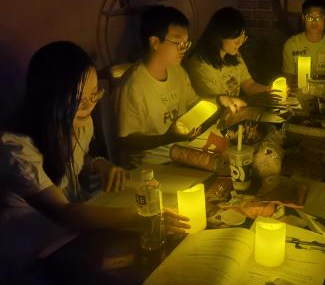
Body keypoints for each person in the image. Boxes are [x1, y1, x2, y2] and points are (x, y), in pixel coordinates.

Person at [0, 41, 190, 268]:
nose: (90, 106)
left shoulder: (80, 124)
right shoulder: (16, 149)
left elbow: (78, 157)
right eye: (80, 100)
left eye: (94, 95)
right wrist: (138, 217)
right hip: (34, 254)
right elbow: (65, 212)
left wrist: (100, 164)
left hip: (73, 238)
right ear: (49, 99)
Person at [114, 5, 245, 167]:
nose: (183, 49)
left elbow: (194, 104)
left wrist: (220, 100)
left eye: (186, 43)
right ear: (155, 42)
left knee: (234, 152)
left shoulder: (177, 71)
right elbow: (127, 141)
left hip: (182, 151)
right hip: (151, 164)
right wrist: (167, 138)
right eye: (178, 43)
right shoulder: (133, 85)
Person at [186, 7, 271, 98]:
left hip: (234, 106)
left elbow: (249, 85)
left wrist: (270, 90)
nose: (240, 43)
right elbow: (216, 102)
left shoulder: (234, 55)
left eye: (242, 37)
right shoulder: (200, 66)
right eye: (236, 38)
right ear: (220, 35)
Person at [282, 0, 325, 82]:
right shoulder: (291, 44)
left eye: (319, 17)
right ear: (303, 18)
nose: (314, 21)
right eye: (310, 17)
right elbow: (288, 77)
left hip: (323, 90)